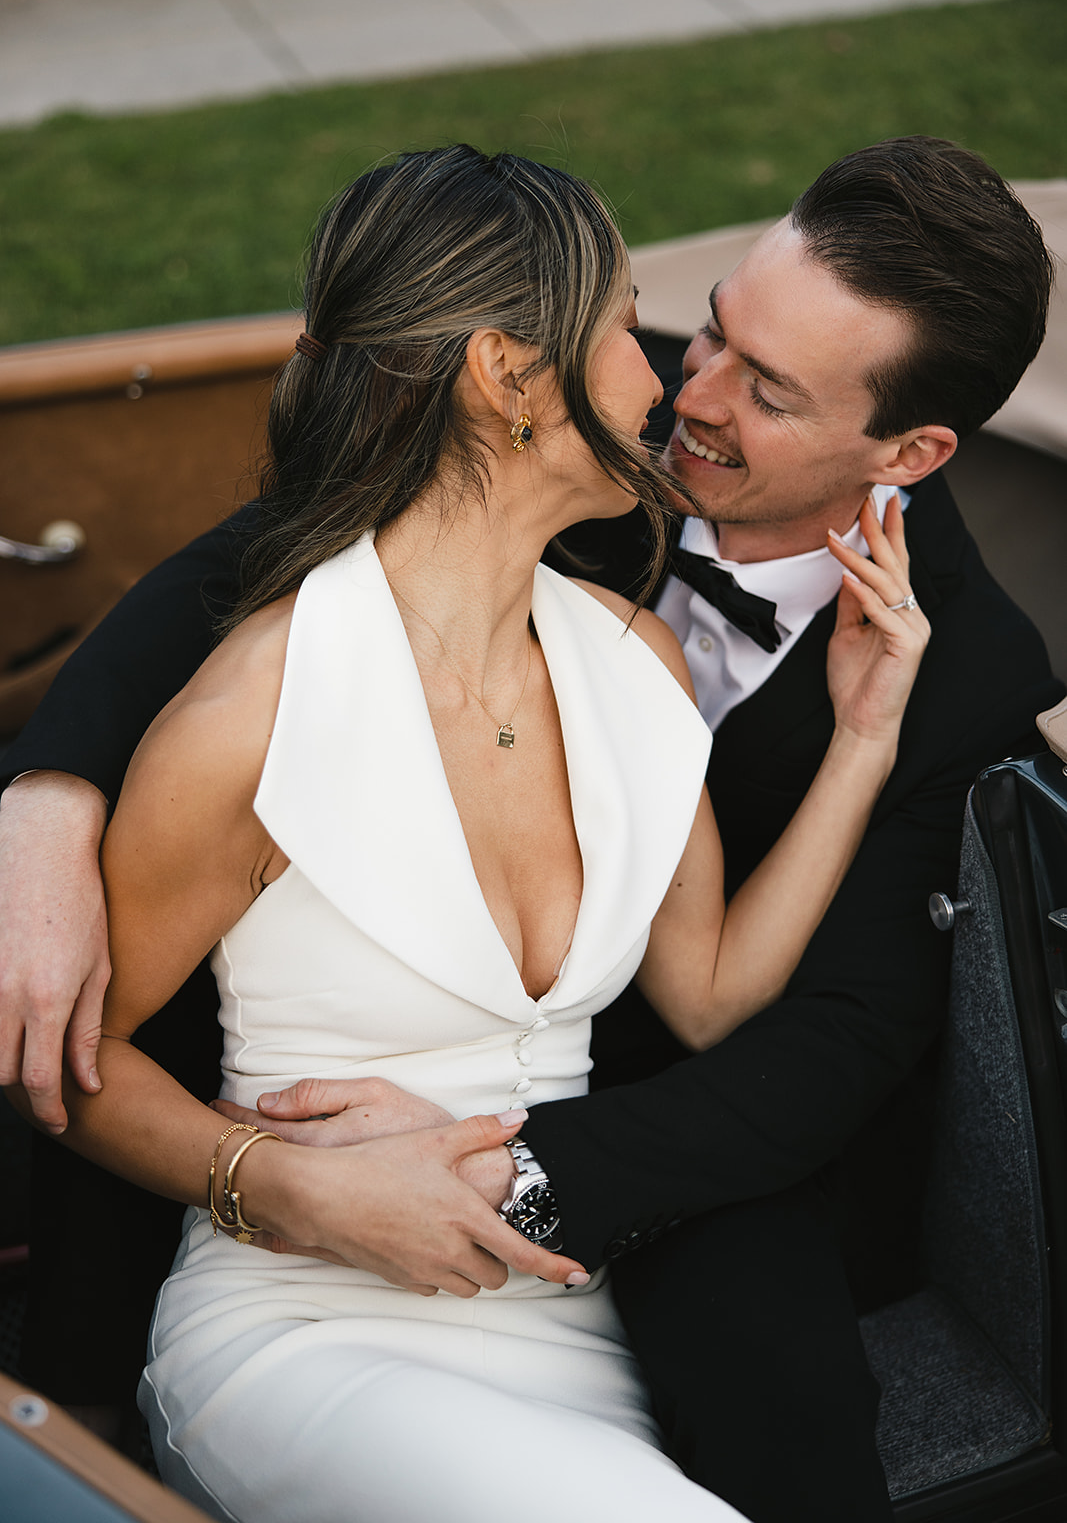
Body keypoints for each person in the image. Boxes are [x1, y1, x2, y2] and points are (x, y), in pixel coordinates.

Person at [0, 136, 1060, 1521]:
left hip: (672, 1155)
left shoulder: (939, 675)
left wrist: (526, 1171)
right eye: (706, 329)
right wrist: (45, 792)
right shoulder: (581, 441)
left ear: (908, 453)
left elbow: (811, 1042)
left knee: (787, 1421)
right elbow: (256, 552)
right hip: (311, 1230)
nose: (694, 388)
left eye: (770, 389)